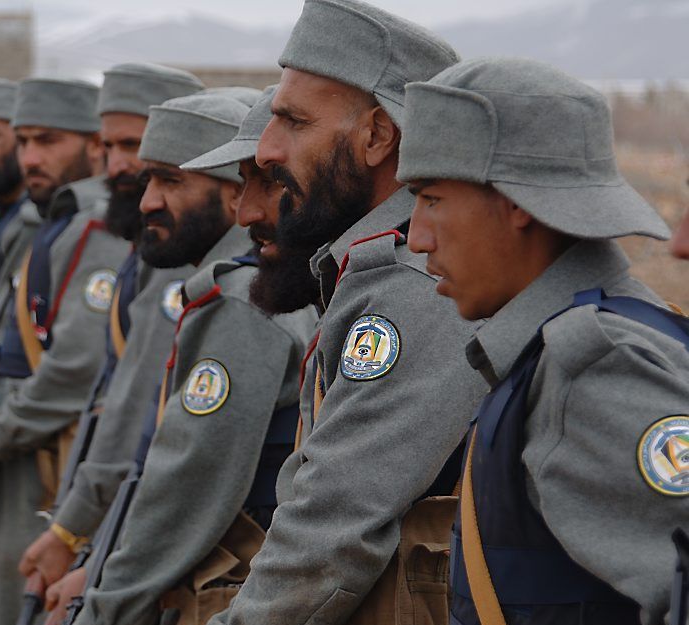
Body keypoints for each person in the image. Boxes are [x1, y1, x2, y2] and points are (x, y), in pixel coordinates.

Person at [208, 2, 488, 624]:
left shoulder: (416, 287)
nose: (269, 148)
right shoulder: (362, 272)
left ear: (378, 136)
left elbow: (330, 532)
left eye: (293, 122)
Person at [398, 56, 686, 625]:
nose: (417, 238)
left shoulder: (596, 367)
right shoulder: (552, 351)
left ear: (519, 204)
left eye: (432, 199)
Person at [75, 90, 317, 625]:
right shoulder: (249, 289)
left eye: (171, 180)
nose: (147, 203)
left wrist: (103, 605)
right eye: (148, 181)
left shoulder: (241, 303)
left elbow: (186, 480)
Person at [0, 76, 130, 625]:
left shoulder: (97, 226)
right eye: (25, 141)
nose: (31, 157)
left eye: (48, 141)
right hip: (19, 437)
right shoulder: (54, 220)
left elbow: (76, 364)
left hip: (48, 455)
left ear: (92, 146)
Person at [18, 64, 206, 613]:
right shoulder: (144, 249)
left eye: (138, 145)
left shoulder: (183, 262)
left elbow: (136, 413)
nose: (120, 164)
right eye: (111, 145)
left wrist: (77, 533)